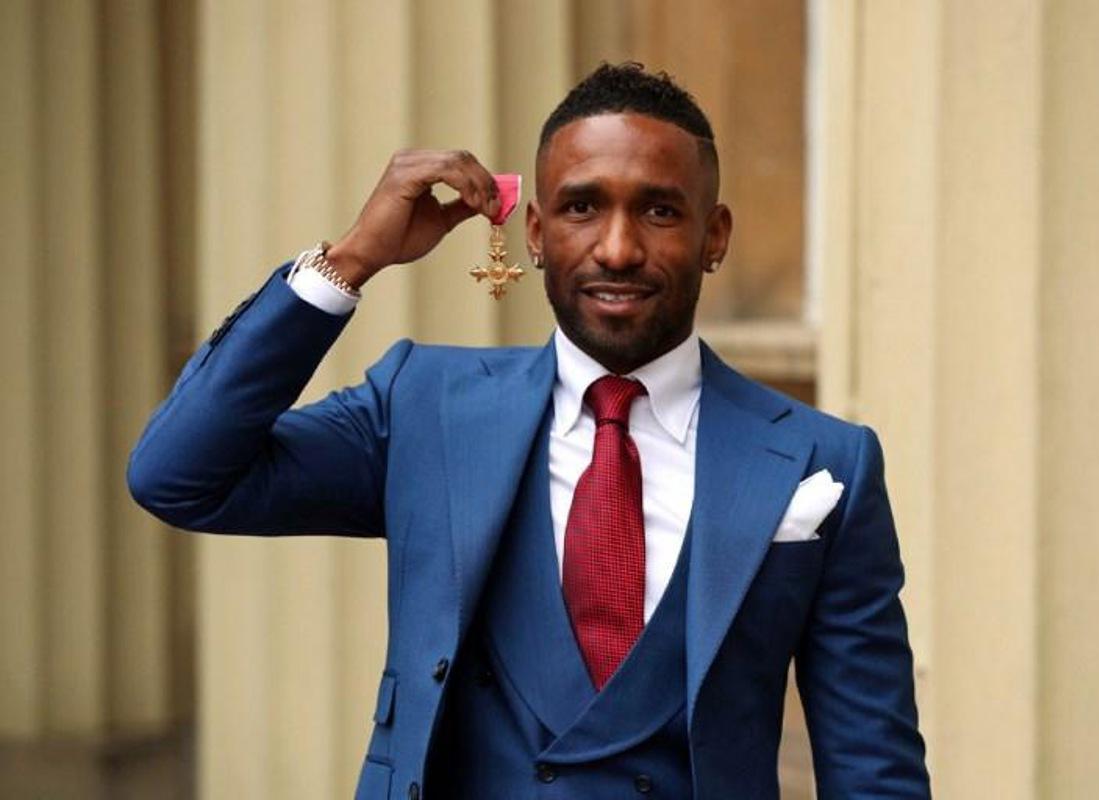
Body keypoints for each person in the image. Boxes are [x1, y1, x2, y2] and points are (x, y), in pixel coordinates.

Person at [128, 63, 930, 799]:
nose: (618, 249)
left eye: (658, 209)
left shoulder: (825, 463)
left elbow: (872, 765)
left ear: (713, 236)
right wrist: (350, 263)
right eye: (583, 207)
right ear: (538, 234)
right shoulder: (425, 407)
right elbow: (179, 476)